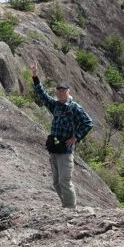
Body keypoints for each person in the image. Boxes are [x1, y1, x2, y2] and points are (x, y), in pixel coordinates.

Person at [31, 61, 93, 209]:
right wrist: (35, 76)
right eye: (58, 92)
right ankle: (65, 207)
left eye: (63, 92)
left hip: (66, 149)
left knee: (65, 181)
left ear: (69, 92)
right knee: (56, 182)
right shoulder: (56, 105)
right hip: (54, 147)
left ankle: (71, 210)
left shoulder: (75, 108)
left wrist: (76, 137)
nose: (60, 94)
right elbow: (42, 95)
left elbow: (88, 123)